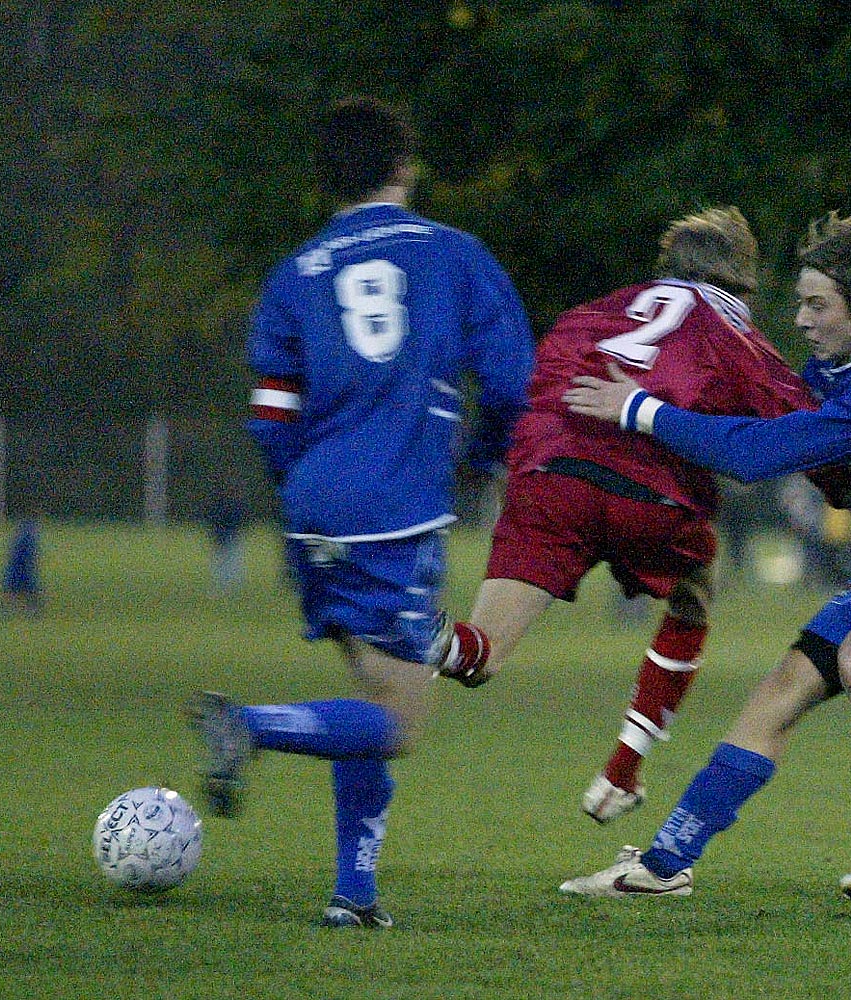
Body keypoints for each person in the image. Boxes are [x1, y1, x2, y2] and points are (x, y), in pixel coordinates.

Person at [560, 212, 851, 907]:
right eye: (800, 300)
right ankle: (663, 864)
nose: (799, 318)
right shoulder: (837, 369)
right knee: (777, 693)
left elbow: (754, 455)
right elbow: (825, 457)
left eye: (816, 305)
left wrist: (637, 410)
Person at [185, 95, 534, 929]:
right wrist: (482, 461)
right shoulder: (452, 256)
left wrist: (303, 487)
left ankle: (355, 894)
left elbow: (270, 414)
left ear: (324, 181)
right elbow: (516, 382)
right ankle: (248, 726)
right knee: (399, 721)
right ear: (404, 167)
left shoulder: (293, 275)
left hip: (313, 509)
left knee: (369, 701)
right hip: (397, 512)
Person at [436, 206, 851, 823]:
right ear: (743, 279)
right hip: (650, 496)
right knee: (692, 597)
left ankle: (416, 627)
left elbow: (533, 388)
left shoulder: (590, 314)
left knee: (482, 654)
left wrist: (510, 466)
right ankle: (622, 773)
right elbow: (801, 424)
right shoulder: (732, 332)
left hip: (551, 481)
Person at [1, 516, 42, 616]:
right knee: (26, 588)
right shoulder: (28, 538)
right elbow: (28, 556)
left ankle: (14, 609)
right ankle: (29, 609)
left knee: (16, 588)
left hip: (17, 569)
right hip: (22, 570)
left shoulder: (21, 538)